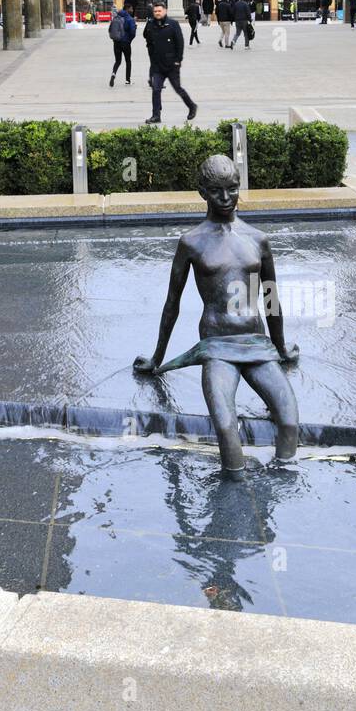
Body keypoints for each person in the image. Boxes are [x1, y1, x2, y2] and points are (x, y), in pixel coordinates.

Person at [133, 154, 299, 473]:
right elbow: (172, 303)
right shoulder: (191, 242)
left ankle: (282, 481)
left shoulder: (258, 240)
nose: (226, 198)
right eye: (216, 191)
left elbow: (271, 300)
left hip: (256, 343)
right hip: (217, 346)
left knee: (290, 420)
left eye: (233, 189)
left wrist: (280, 348)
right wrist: (157, 358)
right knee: (225, 427)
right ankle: (235, 488)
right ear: (202, 192)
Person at [144, 1, 196, 124]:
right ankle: (156, 115)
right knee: (156, 89)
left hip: (172, 65)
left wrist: (178, 60)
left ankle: (192, 106)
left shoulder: (173, 24)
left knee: (178, 88)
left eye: (159, 11)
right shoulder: (151, 24)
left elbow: (180, 42)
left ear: (165, 11)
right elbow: (146, 37)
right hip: (157, 65)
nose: (157, 13)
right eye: (155, 11)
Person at [108, 3, 136, 87]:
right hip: (126, 43)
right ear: (127, 9)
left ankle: (113, 74)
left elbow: (110, 29)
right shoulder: (130, 19)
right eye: (131, 9)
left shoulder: (116, 17)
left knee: (117, 61)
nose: (132, 10)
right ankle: (127, 80)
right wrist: (129, 40)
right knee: (128, 61)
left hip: (116, 43)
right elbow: (132, 33)